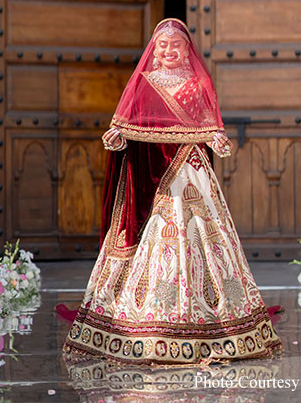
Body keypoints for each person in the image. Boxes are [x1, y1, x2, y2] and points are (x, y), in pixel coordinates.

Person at [63, 18, 282, 364]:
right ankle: (149, 321)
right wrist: (119, 137)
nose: (168, 51)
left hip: (191, 170)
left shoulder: (198, 83)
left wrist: (216, 138)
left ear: (187, 50)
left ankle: (216, 320)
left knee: (206, 237)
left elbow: (208, 124)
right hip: (157, 178)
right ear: (154, 49)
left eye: (175, 45)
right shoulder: (144, 84)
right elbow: (128, 125)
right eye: (162, 45)